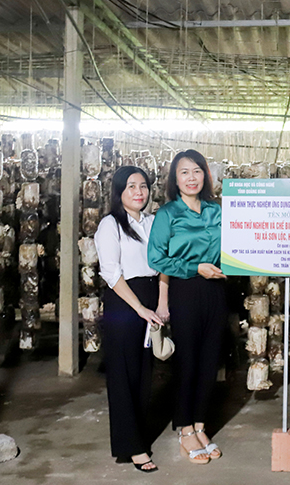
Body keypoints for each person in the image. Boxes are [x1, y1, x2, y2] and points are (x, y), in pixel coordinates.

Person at [147, 149, 226, 465]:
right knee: (188, 362)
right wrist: (195, 269)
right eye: (184, 172)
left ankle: (200, 424)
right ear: (174, 179)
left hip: (217, 290)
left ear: (205, 175)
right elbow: (156, 258)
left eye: (197, 171)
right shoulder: (168, 214)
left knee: (210, 362)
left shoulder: (216, 210)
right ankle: (184, 429)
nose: (191, 177)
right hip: (186, 290)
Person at [94, 165, 166, 473]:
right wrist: (139, 308)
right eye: (131, 187)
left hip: (152, 297)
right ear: (119, 192)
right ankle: (133, 447)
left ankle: (140, 435)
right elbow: (112, 273)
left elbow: (165, 262)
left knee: (144, 373)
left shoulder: (154, 222)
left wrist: (162, 305)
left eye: (144, 186)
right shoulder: (109, 225)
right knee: (124, 375)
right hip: (125, 302)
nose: (139, 192)